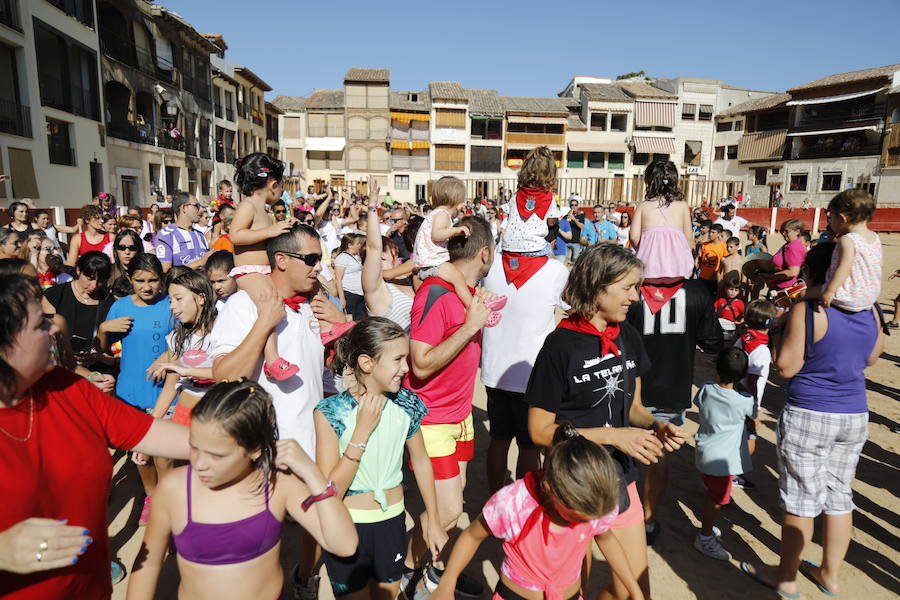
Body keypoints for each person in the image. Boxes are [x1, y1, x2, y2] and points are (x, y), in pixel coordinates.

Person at [0, 273, 190, 600]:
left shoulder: (66, 387)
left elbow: (158, 435)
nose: (55, 327)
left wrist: (248, 440)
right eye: (39, 325)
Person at [527, 243, 688, 599]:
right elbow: (538, 430)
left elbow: (634, 408)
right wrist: (612, 437)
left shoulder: (626, 334)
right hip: (574, 483)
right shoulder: (559, 347)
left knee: (636, 591)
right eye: (627, 288)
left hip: (619, 477)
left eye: (637, 287)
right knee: (574, 590)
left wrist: (655, 425)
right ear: (597, 286)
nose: (636, 297)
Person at [209, 223, 348, 599]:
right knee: (258, 546)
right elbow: (222, 376)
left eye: (321, 259)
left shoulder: (314, 304)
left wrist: (343, 325)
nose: (319, 267)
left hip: (313, 448)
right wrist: (264, 324)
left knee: (316, 525)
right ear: (281, 260)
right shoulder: (243, 305)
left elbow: (327, 374)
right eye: (313, 259)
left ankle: (305, 579)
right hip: (260, 454)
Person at [125, 380, 358, 600]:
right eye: (194, 447)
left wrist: (312, 473)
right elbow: (150, 562)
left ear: (255, 449)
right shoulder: (173, 488)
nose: (200, 464)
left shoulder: (278, 486)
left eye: (217, 455)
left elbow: (344, 545)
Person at [741, 242, 885, 598]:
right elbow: (873, 356)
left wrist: (778, 330)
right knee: (839, 496)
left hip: (811, 410)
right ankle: (829, 575)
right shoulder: (871, 307)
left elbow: (786, 367)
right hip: (853, 412)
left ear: (812, 273)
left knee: (800, 499)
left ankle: (786, 577)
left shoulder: (809, 309)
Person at [431, 425, 644, 600]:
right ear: (551, 489)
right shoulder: (515, 502)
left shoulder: (595, 502)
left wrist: (634, 589)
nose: (588, 523)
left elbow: (606, 538)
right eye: (578, 518)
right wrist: (447, 583)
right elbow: (471, 535)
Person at [315, 317, 446, 599]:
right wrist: (361, 431)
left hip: (391, 522)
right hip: (345, 525)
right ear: (366, 363)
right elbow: (329, 492)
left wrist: (433, 520)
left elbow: (421, 460)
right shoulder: (330, 412)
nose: (406, 368)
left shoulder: (407, 405)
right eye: (398, 359)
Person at [403, 216, 498, 597]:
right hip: (433, 420)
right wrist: (470, 326)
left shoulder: (466, 293)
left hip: (460, 417)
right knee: (447, 511)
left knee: (454, 502)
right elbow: (420, 362)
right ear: (485, 253)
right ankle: (404, 573)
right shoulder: (436, 293)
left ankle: (429, 570)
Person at [481, 204, 569, 493]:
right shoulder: (556, 270)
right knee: (529, 447)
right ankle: (522, 505)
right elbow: (572, 307)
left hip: (494, 369)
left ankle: (494, 500)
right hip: (533, 373)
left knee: (499, 440)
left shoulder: (491, 263)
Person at [97, 254, 173, 526]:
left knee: (164, 455)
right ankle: (152, 498)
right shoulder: (119, 307)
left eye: (153, 280)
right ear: (129, 280)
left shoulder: (171, 303)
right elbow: (105, 350)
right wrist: (103, 330)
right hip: (130, 392)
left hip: (164, 391)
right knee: (141, 455)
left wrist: (168, 356)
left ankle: (168, 501)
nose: (147, 286)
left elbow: (188, 341)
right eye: (140, 280)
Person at [227, 153, 302, 381]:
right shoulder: (248, 205)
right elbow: (236, 235)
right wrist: (270, 231)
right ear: (272, 185)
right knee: (270, 305)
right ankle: (271, 359)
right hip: (248, 271)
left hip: (262, 271)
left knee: (278, 302)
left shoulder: (265, 212)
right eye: (280, 187)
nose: (281, 192)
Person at [692, 347, 754, 561]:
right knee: (717, 498)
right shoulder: (745, 400)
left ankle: (707, 530)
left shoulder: (707, 389)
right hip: (723, 461)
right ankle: (705, 536)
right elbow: (753, 415)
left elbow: (697, 403)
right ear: (744, 374)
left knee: (712, 489)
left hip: (705, 450)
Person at [413, 177, 503, 324]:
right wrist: (456, 230)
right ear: (459, 203)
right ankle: (475, 309)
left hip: (428, 263)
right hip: (432, 264)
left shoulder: (436, 214)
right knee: (458, 279)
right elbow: (437, 234)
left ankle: (479, 300)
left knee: (459, 282)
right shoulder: (442, 214)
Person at [144, 268, 218, 428]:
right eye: (170, 300)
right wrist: (149, 428)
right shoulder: (176, 339)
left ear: (201, 298)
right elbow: (170, 388)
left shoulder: (225, 333)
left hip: (218, 417)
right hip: (184, 414)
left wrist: (187, 371)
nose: (172, 306)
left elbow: (233, 374)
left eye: (178, 299)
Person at [807, 189, 882, 312]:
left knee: (805, 293)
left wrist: (830, 290)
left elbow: (844, 267)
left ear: (842, 218)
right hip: (869, 297)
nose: (830, 221)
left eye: (832, 217)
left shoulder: (848, 240)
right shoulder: (874, 237)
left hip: (847, 295)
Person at [734, 298, 778, 486]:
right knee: (749, 444)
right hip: (747, 402)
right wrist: (754, 411)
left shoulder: (743, 339)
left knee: (738, 438)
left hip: (735, 395)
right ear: (768, 323)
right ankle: (731, 474)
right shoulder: (761, 350)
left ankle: (729, 474)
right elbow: (753, 380)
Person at [361, 177, 415, 331]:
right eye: (395, 252)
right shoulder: (376, 287)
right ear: (383, 256)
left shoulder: (406, 278)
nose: (398, 257)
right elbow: (373, 248)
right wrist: (372, 207)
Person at [630, 160, 695, 282]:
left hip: (649, 268)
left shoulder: (643, 206)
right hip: (678, 269)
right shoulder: (682, 206)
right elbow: (689, 239)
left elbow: (634, 237)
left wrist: (644, 248)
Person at [42, 251, 115, 357]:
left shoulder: (109, 301)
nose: (94, 285)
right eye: (90, 278)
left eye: (100, 281)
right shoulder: (55, 294)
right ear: (78, 270)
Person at [501, 147, 562, 256]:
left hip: (508, 246)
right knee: (550, 250)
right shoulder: (548, 197)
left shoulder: (517, 195)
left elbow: (508, 213)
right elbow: (551, 222)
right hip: (534, 248)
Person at [154, 191, 212, 271]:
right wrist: (200, 262)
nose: (201, 210)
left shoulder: (200, 235)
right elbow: (166, 271)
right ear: (184, 208)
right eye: (197, 206)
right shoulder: (166, 235)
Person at [761, 219, 807, 296]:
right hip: (781, 287)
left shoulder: (794, 246)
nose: (783, 233)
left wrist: (770, 277)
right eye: (782, 231)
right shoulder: (790, 244)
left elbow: (793, 272)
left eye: (787, 231)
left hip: (786, 289)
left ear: (797, 231)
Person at [334, 233, 367, 322]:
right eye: (357, 244)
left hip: (359, 293)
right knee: (351, 321)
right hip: (349, 293)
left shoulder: (357, 256)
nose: (359, 245)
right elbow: (338, 279)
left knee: (361, 320)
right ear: (349, 245)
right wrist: (342, 298)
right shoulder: (342, 258)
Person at [107, 229, 145, 298]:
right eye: (121, 247)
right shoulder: (108, 273)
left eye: (132, 248)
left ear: (139, 250)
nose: (127, 252)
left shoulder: (146, 273)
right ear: (115, 250)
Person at [698, 224, 728, 296]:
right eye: (710, 232)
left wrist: (719, 276)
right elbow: (700, 259)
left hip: (715, 278)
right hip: (703, 276)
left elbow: (725, 263)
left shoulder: (724, 246)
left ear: (719, 234)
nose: (710, 234)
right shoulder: (704, 245)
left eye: (713, 232)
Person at [714, 277, 745, 342]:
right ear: (726, 289)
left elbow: (745, 314)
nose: (733, 292)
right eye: (731, 289)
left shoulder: (739, 303)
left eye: (736, 290)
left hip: (732, 328)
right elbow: (712, 310)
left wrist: (740, 322)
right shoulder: (721, 300)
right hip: (720, 326)